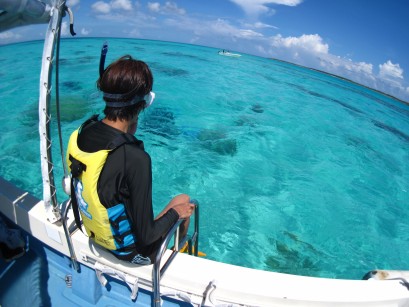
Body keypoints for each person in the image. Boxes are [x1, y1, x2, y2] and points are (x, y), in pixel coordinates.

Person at [66, 55, 195, 265]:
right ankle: (176, 256)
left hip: (94, 234)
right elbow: (146, 235)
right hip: (131, 252)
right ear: (143, 104)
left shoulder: (83, 131)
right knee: (184, 201)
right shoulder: (135, 158)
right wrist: (176, 213)